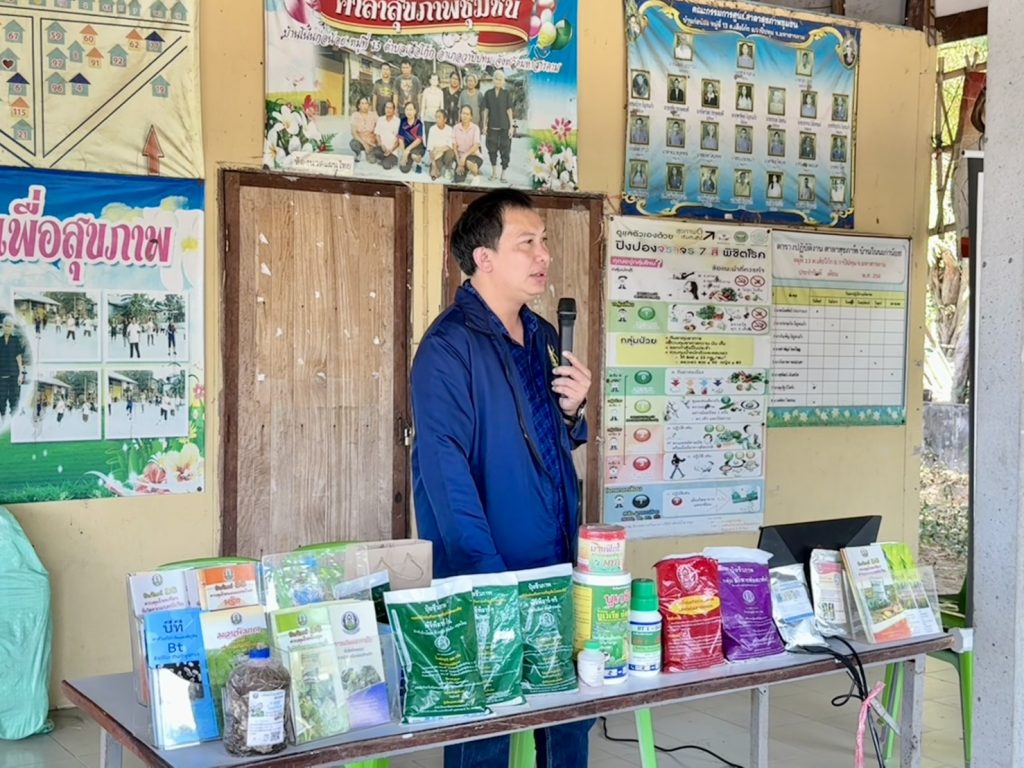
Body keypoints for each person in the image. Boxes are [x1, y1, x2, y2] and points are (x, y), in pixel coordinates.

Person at [410, 189, 593, 768]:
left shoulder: (542, 336)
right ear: (483, 258)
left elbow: (549, 442)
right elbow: (446, 475)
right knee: (486, 726)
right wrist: (484, 578)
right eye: (527, 243)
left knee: (565, 719)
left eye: (544, 241)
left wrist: (573, 413)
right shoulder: (448, 348)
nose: (544, 255)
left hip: (554, 560)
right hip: (488, 570)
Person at [481, 70, 513, 182]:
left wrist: (511, 127)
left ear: (503, 81)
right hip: (492, 127)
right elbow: (486, 110)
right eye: (496, 79)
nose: (498, 81)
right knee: (492, 150)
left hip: (504, 127)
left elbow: (509, 110)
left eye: (500, 79)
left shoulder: (506, 94)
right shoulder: (488, 93)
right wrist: (484, 125)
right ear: (493, 80)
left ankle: (503, 174)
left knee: (505, 151)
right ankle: (494, 173)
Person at [0, 316, 26, 419]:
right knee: (1, 399)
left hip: (14, 374)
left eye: (10, 326)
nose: (7, 328)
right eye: (6, 326)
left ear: (12, 328)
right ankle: (3, 419)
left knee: (14, 399)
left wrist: (21, 373)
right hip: (1, 376)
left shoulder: (15, 340)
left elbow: (19, 357)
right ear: (2, 326)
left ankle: (12, 420)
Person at [453, 105, 483, 183]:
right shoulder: (456, 128)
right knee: (458, 180)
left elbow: (476, 145)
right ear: (460, 114)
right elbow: (454, 147)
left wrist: (464, 157)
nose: (465, 116)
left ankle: (475, 176)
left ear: (471, 117)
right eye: (463, 113)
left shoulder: (475, 128)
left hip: (473, 155)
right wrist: (459, 163)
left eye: (467, 114)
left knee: (469, 163)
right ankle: (468, 170)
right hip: (460, 157)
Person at [372, 100, 402, 169]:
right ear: (384, 109)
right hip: (383, 148)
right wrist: (381, 144)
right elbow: (377, 135)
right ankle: (385, 158)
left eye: (390, 108)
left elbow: (399, 139)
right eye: (387, 107)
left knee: (386, 166)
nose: (388, 110)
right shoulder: (380, 119)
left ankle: (388, 160)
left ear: (394, 110)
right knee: (376, 152)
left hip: (393, 150)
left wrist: (391, 149)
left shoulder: (398, 121)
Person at [427, 108, 456, 180]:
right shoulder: (432, 129)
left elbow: (450, 146)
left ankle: (448, 168)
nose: (437, 119)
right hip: (437, 156)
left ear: (445, 119)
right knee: (434, 175)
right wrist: (434, 166)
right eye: (436, 117)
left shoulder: (449, 129)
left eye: (439, 117)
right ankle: (440, 166)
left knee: (450, 152)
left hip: (446, 153)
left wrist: (439, 149)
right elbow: (430, 149)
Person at [398, 101, 426, 174]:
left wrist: (407, 150)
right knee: (404, 169)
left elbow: (419, 140)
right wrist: (403, 153)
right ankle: (409, 157)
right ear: (405, 111)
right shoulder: (402, 121)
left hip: (417, 147)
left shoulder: (419, 123)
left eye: (411, 109)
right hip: (407, 147)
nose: (409, 112)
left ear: (415, 111)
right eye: (407, 109)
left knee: (414, 156)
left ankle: (418, 163)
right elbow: (400, 138)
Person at [349, 96, 378, 162]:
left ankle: (369, 152)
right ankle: (359, 153)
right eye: (362, 103)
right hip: (360, 141)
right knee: (353, 143)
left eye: (366, 103)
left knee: (372, 161)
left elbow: (379, 130)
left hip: (371, 142)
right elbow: (354, 133)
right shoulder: (355, 115)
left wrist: (373, 143)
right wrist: (364, 144)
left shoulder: (374, 115)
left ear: (368, 105)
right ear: (359, 106)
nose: (365, 106)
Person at [420, 72, 445, 141]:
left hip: (437, 117)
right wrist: (422, 116)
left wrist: (442, 118)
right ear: (430, 80)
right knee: (427, 136)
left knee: (436, 137)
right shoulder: (426, 91)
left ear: (438, 81)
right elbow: (423, 105)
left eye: (436, 79)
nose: (434, 81)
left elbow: (442, 106)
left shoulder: (440, 92)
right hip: (427, 117)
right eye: (433, 79)